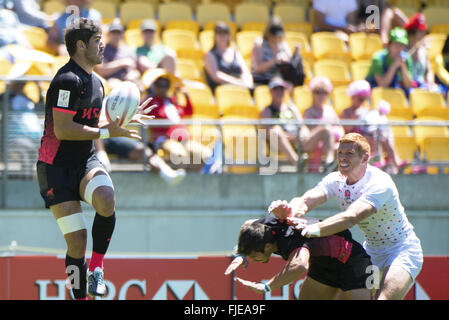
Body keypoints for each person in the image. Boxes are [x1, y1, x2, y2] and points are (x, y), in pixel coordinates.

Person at [36, 17, 154, 300]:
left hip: (84, 162)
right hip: (55, 169)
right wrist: (106, 132)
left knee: (106, 197)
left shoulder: (97, 83)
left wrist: (119, 119)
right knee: (77, 244)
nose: (103, 46)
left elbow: (89, 120)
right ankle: (80, 297)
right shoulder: (67, 79)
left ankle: (97, 268)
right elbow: (64, 129)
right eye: (97, 41)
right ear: (80, 45)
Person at [269, 133, 423, 300]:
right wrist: (289, 210)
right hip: (371, 251)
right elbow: (306, 200)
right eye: (340, 153)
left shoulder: (379, 183)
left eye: (349, 153)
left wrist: (314, 229)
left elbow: (352, 217)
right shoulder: (336, 180)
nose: (342, 158)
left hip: (402, 250)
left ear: (365, 158)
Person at [225, 214, 373, 300]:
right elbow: (247, 225)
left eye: (253, 255)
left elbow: (300, 265)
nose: (252, 259)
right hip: (324, 265)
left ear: (268, 246)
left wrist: (266, 286)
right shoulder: (263, 228)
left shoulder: (288, 240)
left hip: (354, 263)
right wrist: (241, 253)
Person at [260, 77, 337, 171]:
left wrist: (303, 133)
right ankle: (297, 162)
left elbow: (302, 125)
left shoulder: (292, 108)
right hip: (280, 143)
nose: (279, 92)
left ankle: (329, 163)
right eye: (276, 90)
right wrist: (287, 137)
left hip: (298, 141)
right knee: (276, 130)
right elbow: (267, 132)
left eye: (281, 89)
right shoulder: (267, 110)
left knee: (326, 130)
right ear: (271, 92)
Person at [143, 73, 213, 167]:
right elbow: (143, 110)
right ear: (154, 87)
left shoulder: (173, 101)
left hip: (184, 139)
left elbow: (188, 112)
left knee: (205, 155)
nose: (162, 88)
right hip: (167, 139)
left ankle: (189, 179)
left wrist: (185, 96)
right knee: (179, 156)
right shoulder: (151, 101)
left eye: (166, 86)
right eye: (159, 85)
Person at [95, 137, 186, 185]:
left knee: (143, 151)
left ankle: (166, 173)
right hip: (91, 137)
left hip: (112, 135)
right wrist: (101, 152)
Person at [303, 76, 344, 172]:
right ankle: (329, 162)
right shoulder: (308, 111)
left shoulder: (330, 110)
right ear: (312, 94)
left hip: (331, 143)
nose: (321, 95)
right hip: (315, 144)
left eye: (324, 92)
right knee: (326, 130)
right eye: (318, 92)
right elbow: (308, 133)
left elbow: (340, 128)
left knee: (343, 147)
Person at [251, 16, 304, 88]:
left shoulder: (284, 46)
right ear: (268, 33)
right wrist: (275, 60)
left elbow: (290, 67)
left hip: (279, 81)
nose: (276, 38)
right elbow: (257, 68)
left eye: (278, 35)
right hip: (262, 80)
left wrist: (293, 55)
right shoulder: (260, 43)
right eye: (273, 35)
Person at [204, 21, 253, 92]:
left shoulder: (235, 52)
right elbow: (216, 75)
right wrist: (237, 83)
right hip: (221, 92)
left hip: (241, 90)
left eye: (225, 33)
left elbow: (245, 72)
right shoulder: (210, 55)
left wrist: (248, 82)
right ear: (214, 36)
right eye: (219, 33)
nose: (222, 36)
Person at [365, 27, 414, 95]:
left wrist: (403, 67)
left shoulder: (406, 58)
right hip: (375, 93)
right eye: (396, 45)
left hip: (392, 92)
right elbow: (382, 85)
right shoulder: (378, 58)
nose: (399, 49)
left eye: (402, 46)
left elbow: (408, 85)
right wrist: (394, 66)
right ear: (389, 45)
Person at [94, 19, 140, 89]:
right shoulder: (102, 49)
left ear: (122, 35)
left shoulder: (128, 50)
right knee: (114, 84)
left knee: (140, 87)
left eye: (118, 33)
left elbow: (135, 69)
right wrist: (122, 63)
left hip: (129, 81)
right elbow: (101, 70)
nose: (116, 35)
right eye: (113, 33)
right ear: (108, 35)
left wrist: (134, 75)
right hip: (111, 82)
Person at [404, 13, 438, 91]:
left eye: (423, 31)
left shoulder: (423, 51)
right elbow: (404, 59)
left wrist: (430, 82)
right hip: (407, 88)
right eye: (419, 31)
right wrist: (417, 47)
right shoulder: (403, 48)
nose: (423, 34)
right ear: (412, 32)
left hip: (422, 87)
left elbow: (428, 71)